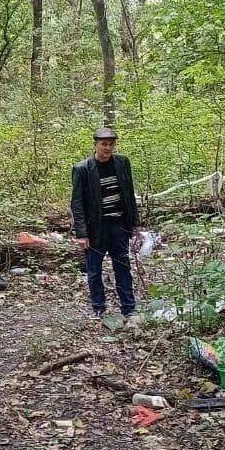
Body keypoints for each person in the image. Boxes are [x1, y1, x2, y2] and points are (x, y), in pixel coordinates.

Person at [71, 128, 140, 325]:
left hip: (119, 225)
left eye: (111, 144)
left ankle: (129, 307)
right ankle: (98, 308)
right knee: (94, 271)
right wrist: (82, 233)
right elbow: (77, 203)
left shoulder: (122, 163)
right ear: (96, 144)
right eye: (104, 144)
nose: (107, 148)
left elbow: (129, 193)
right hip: (96, 229)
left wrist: (134, 223)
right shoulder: (83, 169)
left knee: (123, 267)